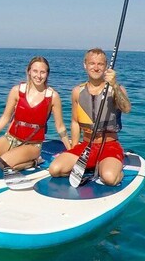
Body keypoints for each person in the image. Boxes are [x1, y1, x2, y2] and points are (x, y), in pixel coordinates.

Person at [48, 48, 132, 186]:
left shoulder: (116, 89)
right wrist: (74, 149)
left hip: (109, 145)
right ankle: (93, 166)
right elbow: (75, 122)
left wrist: (115, 85)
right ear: (85, 65)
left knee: (109, 179)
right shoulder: (77, 91)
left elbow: (127, 108)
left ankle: (113, 169)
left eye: (100, 64)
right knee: (55, 170)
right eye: (92, 63)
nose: (96, 67)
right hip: (87, 145)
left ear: (106, 67)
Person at [0, 56, 71, 171]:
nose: (38, 76)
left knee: (3, 163)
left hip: (32, 145)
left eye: (42, 72)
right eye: (35, 71)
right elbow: (5, 117)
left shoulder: (53, 96)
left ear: (47, 74)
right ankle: (12, 155)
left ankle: (33, 161)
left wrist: (70, 150)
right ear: (29, 71)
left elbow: (60, 127)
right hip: (10, 138)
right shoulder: (16, 91)